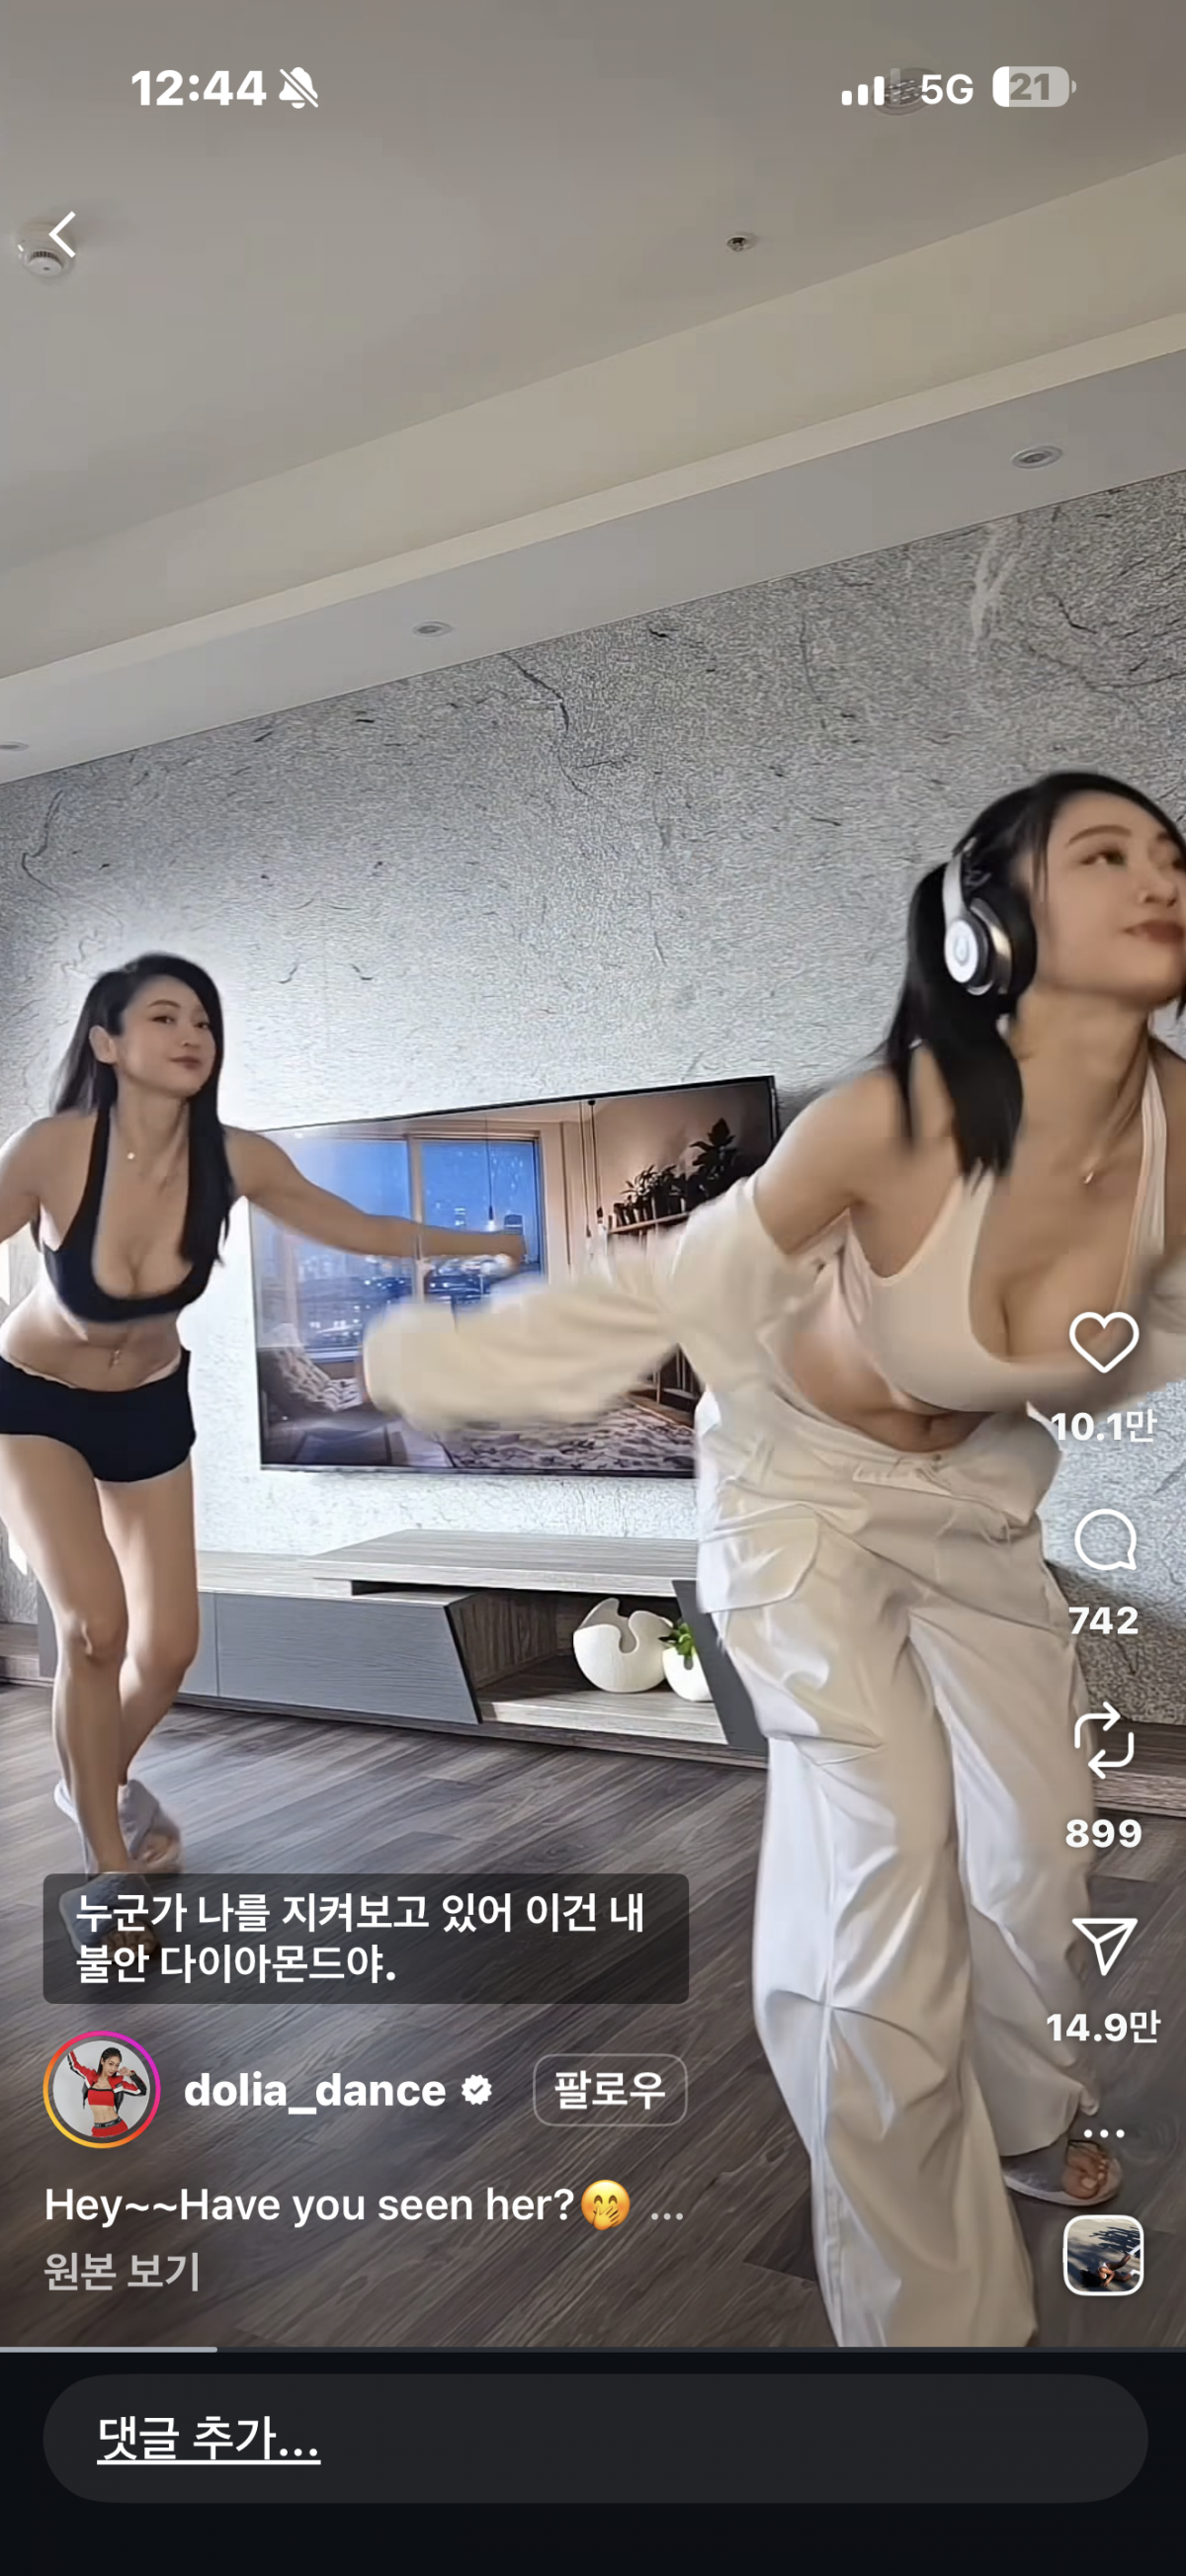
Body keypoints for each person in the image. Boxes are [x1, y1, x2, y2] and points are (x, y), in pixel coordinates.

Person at [361, 772, 1186, 2350]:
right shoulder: (891, 1117)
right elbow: (678, 1280)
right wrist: (450, 1363)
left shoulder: (1177, 1131)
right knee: (884, 1875)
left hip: (978, 1501)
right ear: (993, 923)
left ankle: (1028, 2112)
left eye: (1170, 855)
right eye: (1105, 854)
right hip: (802, 1496)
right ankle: (930, 2325)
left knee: (1037, 1843)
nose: (1159, 877)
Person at [0, 954, 525, 1949]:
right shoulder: (53, 1150)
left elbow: (359, 1227)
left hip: (148, 1404)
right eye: (164, 1016)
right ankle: (107, 1866)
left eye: (203, 1018)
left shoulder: (235, 1158)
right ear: (107, 1042)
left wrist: (486, 1247)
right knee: (93, 1629)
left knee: (168, 1647)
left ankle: (93, 1779)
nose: (191, 1034)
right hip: (32, 1401)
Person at [64, 2041, 147, 2140]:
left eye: (116, 2065)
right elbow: (74, 2065)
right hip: (98, 2130)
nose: (113, 2068)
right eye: (111, 2064)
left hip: (118, 2128)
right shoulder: (90, 2077)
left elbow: (141, 2091)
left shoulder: (118, 2083)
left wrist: (131, 2074)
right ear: (102, 2061)